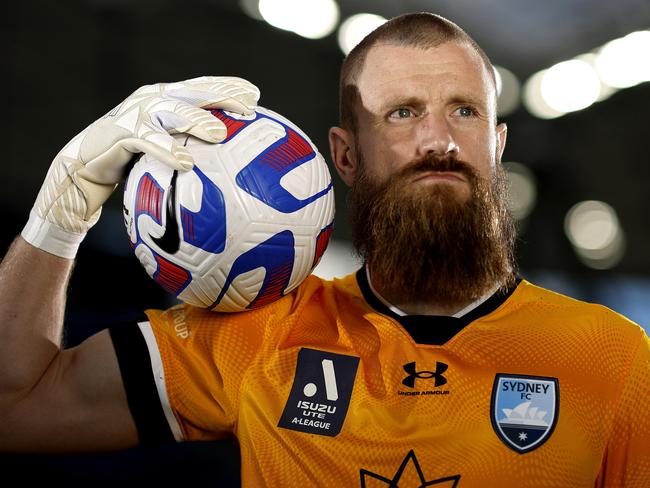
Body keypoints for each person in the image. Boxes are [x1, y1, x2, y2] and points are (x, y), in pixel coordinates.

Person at [0, 12, 648, 487]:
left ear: (498, 145)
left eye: (464, 112)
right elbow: (15, 404)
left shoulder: (612, 357)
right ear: (344, 156)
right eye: (402, 113)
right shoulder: (259, 337)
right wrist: (66, 205)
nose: (438, 139)